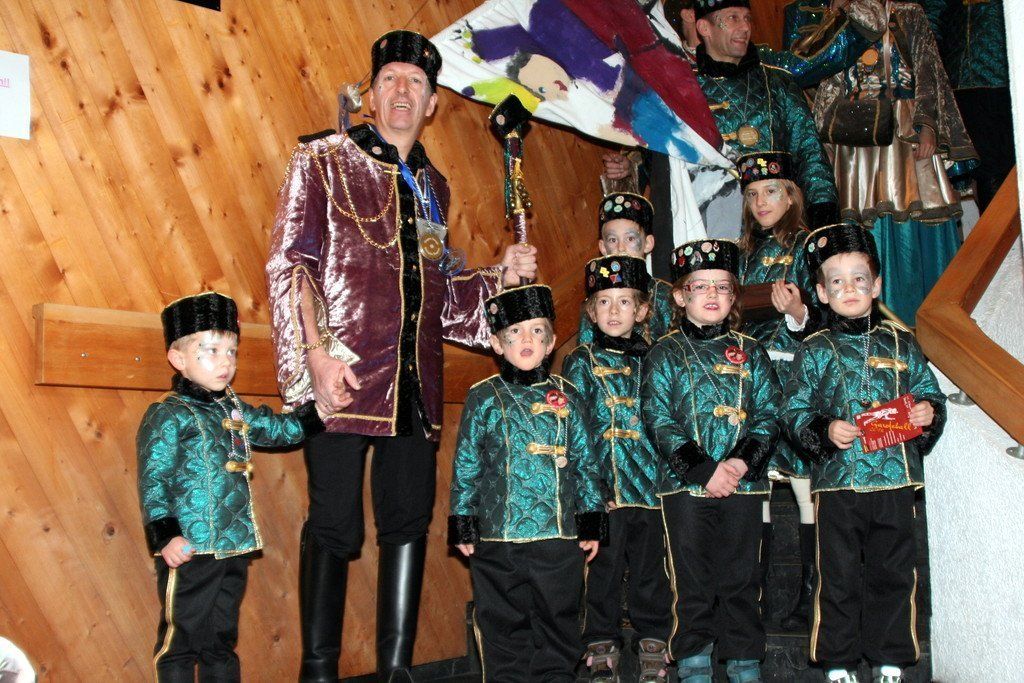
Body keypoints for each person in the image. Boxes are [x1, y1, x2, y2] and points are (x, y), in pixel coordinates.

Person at [264, 29, 539, 682]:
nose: (402, 90)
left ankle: (395, 671)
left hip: (414, 386)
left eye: (416, 82)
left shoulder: (433, 186)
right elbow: (290, 262)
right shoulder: (323, 159)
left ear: (432, 102)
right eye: (389, 77)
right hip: (341, 377)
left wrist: (500, 276)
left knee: (408, 522)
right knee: (333, 523)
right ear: (372, 94)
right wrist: (313, 357)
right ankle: (318, 672)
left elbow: (441, 299)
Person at [604, 0, 886, 270]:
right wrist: (634, 168)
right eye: (733, 18)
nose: (745, 27)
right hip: (705, 232)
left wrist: (823, 226)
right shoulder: (680, 91)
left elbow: (810, 155)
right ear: (704, 28)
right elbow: (667, 159)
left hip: (775, 236)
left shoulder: (778, 83)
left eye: (747, 18)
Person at [783, 224, 946, 683]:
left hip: (895, 479)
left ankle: (890, 658)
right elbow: (793, 409)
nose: (849, 288)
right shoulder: (815, 349)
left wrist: (928, 412)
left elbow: (929, 392)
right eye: (837, 281)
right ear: (821, 292)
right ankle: (837, 661)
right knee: (837, 575)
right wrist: (824, 429)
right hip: (840, 483)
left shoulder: (903, 341)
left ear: (876, 285)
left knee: (894, 572)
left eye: (859, 278)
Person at [137, 292, 324, 681]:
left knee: (220, 640)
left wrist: (318, 411)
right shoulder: (168, 413)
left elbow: (274, 429)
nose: (225, 362)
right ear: (178, 359)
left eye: (232, 351)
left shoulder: (233, 408)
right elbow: (154, 478)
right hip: (190, 549)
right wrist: (165, 535)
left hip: (234, 544)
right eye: (211, 350)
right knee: (179, 641)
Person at [447, 284, 607, 682]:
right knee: (501, 624)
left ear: (551, 342)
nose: (526, 339)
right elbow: (467, 463)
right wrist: (463, 520)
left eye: (537, 331)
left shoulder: (569, 396)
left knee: (558, 621)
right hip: (498, 539)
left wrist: (591, 520)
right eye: (515, 332)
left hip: (557, 537)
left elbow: (586, 461)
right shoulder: (483, 396)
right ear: (497, 344)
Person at [642, 239, 782, 683]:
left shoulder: (752, 351)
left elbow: (769, 413)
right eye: (700, 286)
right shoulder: (663, 352)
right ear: (680, 296)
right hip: (685, 488)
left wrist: (739, 464)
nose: (712, 295)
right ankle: (693, 663)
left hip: (743, 485)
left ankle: (744, 662)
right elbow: (657, 417)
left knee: (742, 579)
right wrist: (704, 471)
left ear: (734, 296)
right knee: (692, 581)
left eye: (722, 286)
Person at [808, 1, 977, 325]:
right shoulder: (843, 15)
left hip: (904, 132)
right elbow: (828, 80)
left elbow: (928, 68)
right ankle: (870, 319)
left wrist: (928, 126)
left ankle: (932, 319)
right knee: (864, 222)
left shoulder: (909, 12)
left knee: (917, 214)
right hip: (856, 139)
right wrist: (825, 140)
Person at [563, 255, 673, 683]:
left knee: (650, 571)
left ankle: (653, 640)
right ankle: (600, 642)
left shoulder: (658, 358)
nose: (613, 311)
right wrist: (592, 491)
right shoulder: (580, 361)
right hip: (604, 491)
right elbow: (576, 430)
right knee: (603, 572)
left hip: (651, 488)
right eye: (604, 302)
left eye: (624, 302)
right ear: (591, 311)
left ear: (642, 310)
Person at [735, 151, 818, 630]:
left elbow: (826, 314)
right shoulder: (741, 253)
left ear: (791, 196)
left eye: (770, 191)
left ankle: (811, 594)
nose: (761, 202)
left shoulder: (808, 246)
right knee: (757, 487)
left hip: (794, 380)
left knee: (805, 488)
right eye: (752, 194)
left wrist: (797, 313)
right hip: (752, 382)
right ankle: (757, 596)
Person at [923, 0, 1009, 213]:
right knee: (987, 169)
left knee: (998, 167)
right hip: (969, 78)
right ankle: (996, 229)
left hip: (1004, 75)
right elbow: (931, 20)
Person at [578, 193, 673, 345]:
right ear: (603, 247)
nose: (621, 248)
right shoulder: (597, 300)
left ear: (648, 243)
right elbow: (585, 349)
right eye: (612, 240)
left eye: (630, 238)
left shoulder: (666, 296)